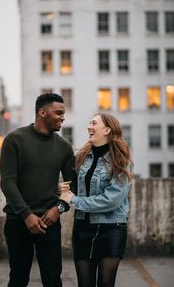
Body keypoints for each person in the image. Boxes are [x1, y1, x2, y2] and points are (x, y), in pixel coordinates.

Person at [0, 93, 75, 287]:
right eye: (58, 113)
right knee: (18, 278)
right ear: (42, 112)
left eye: (63, 113)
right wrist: (26, 215)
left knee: (52, 280)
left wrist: (58, 209)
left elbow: (72, 186)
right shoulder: (14, 140)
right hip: (18, 222)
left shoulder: (64, 147)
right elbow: (7, 182)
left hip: (50, 222)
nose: (62, 117)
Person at [60, 113, 133, 287]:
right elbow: (74, 188)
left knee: (106, 283)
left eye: (94, 123)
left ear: (107, 130)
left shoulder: (120, 159)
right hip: (83, 228)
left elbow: (112, 200)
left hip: (111, 228)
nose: (89, 127)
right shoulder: (82, 156)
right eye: (89, 122)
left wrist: (76, 201)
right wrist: (62, 190)